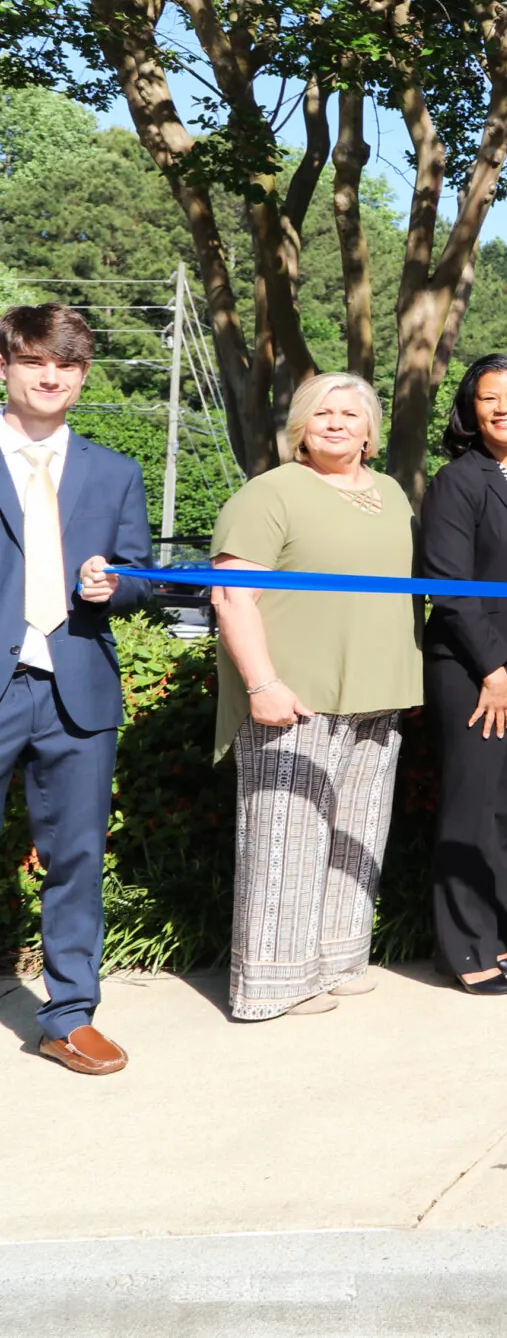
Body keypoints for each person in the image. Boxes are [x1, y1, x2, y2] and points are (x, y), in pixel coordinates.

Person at [209, 372, 423, 1021]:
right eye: (322, 413)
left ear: (370, 430)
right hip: (293, 694)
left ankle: (338, 959)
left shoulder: (392, 493)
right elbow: (231, 597)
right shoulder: (270, 492)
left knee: (358, 832)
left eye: (350, 414)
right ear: (300, 426)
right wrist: (262, 684)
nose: (336, 423)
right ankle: (274, 982)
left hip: (378, 693)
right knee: (286, 838)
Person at [0, 306, 152, 1075]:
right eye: (33, 360)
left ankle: (69, 1016)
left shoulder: (115, 471)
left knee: (78, 858)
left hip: (77, 690)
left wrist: (114, 586)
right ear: (4, 366)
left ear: (84, 376)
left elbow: (140, 576)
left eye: (66, 363)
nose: (50, 375)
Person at [418, 354, 507, 996]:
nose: (503, 408)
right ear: (470, 410)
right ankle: (462, 949)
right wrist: (493, 668)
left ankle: (491, 935)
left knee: (502, 811)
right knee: (470, 807)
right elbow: (449, 584)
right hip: (477, 669)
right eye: (488, 397)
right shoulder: (457, 480)